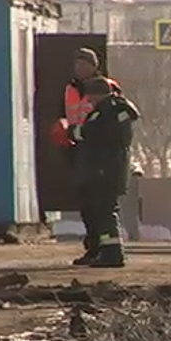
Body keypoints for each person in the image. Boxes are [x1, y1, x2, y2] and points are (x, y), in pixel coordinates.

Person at [67, 76, 139, 268]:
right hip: (104, 169)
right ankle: (102, 251)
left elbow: (97, 134)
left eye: (90, 97)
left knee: (104, 212)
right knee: (97, 212)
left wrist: (72, 132)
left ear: (97, 95)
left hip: (105, 170)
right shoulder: (112, 110)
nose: (88, 101)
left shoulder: (109, 111)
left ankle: (112, 254)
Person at [61, 47, 121, 266]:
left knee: (101, 207)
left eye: (83, 64)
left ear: (94, 65)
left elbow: (108, 124)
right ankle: (95, 247)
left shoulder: (106, 87)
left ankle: (105, 249)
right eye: (76, 64)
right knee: (87, 204)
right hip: (78, 147)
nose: (78, 68)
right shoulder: (72, 88)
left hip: (97, 151)